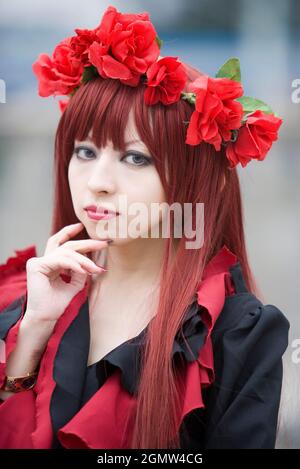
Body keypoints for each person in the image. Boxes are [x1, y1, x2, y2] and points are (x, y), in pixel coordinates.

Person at [0, 5, 290, 449]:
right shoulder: (28, 297)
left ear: (193, 176)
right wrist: (34, 329)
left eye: (135, 158)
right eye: (85, 152)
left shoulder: (236, 334)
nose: (97, 183)